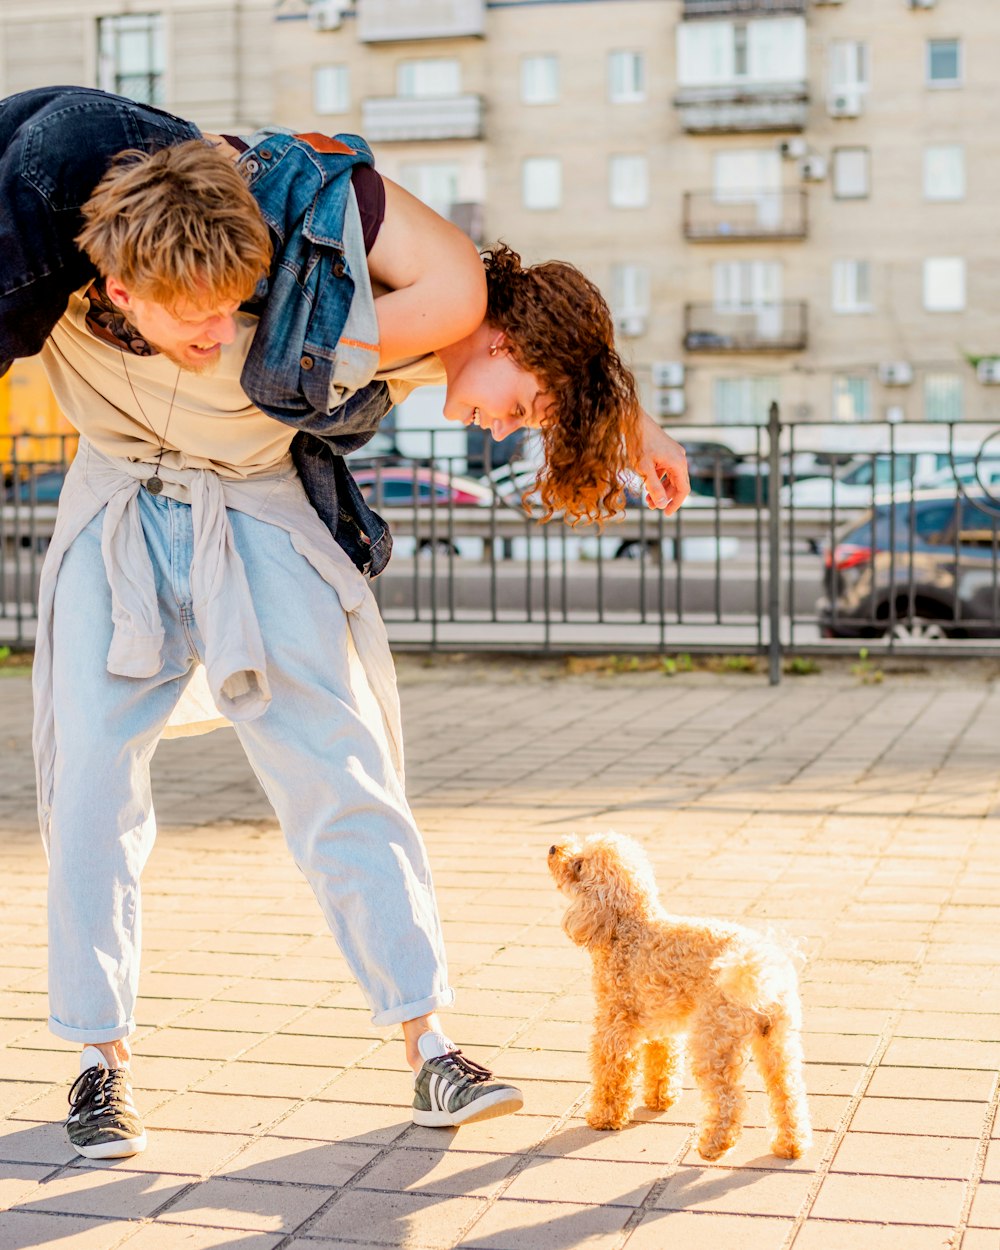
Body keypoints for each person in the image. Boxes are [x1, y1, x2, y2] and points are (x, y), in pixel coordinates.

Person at [0, 87, 690, 1160]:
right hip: (118, 499)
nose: (504, 427)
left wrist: (628, 417)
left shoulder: (418, 325)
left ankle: (432, 1043)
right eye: (523, 406)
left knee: (343, 771)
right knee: (86, 778)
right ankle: (100, 1064)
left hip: (257, 507)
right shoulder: (101, 244)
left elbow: (546, 343)